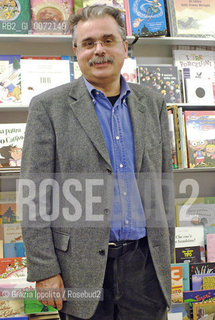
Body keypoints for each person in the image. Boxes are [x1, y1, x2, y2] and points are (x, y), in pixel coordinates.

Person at [20, 5, 175, 320]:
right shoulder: (47, 107)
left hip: (145, 266)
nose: (99, 50)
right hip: (78, 268)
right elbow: (34, 195)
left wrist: (165, 253)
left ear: (124, 47)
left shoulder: (154, 103)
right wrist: (44, 269)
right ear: (75, 51)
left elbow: (163, 182)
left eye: (108, 40)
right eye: (89, 43)